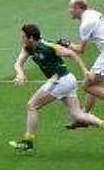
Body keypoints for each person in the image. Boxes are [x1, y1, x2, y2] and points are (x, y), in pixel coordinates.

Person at [10, 24, 103, 153]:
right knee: (77, 115)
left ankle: (28, 142)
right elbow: (18, 63)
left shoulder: (48, 47)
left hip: (61, 80)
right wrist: (20, 73)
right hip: (67, 80)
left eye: (23, 36)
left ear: (31, 38)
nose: (21, 39)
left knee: (32, 106)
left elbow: (72, 54)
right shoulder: (28, 48)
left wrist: (85, 71)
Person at [67, 0, 104, 120]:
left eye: (71, 8)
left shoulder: (85, 24)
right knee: (94, 83)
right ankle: (85, 117)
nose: (69, 10)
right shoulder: (94, 13)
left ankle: (84, 116)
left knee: (87, 86)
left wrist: (67, 44)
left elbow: (81, 50)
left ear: (78, 8)